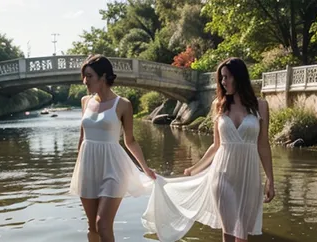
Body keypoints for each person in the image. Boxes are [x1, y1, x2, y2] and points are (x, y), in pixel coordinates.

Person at [142, 57, 275, 242]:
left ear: (238, 77)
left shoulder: (260, 106)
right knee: (229, 233)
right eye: (221, 78)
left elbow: (263, 145)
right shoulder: (219, 105)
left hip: (249, 176)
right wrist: (194, 169)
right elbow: (216, 145)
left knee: (242, 235)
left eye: (226, 77)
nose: (223, 82)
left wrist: (270, 179)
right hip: (222, 175)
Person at [68, 54, 157, 242]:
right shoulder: (85, 101)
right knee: (92, 227)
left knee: (103, 224)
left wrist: (145, 168)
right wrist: (78, 167)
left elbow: (130, 140)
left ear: (103, 77)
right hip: (87, 166)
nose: (85, 81)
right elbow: (82, 137)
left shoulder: (123, 104)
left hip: (113, 167)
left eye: (89, 76)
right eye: (84, 76)